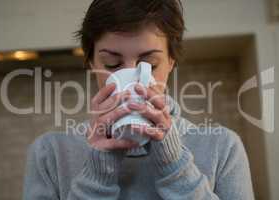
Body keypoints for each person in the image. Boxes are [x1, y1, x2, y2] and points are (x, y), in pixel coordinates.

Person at [23, 0, 255, 199]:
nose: (134, 80)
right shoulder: (50, 154)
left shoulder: (221, 147)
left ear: (171, 62)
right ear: (92, 64)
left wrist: (174, 164)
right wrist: (97, 172)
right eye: (112, 65)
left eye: (149, 65)